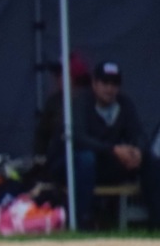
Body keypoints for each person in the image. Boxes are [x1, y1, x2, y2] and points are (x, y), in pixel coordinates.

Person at [49, 61, 145, 229]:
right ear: (94, 83)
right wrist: (113, 150)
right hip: (68, 164)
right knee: (86, 158)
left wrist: (137, 152)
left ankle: (154, 220)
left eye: (114, 83)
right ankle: (81, 220)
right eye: (104, 83)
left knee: (150, 160)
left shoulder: (124, 103)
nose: (109, 88)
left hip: (103, 162)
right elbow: (78, 139)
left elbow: (138, 133)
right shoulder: (80, 102)